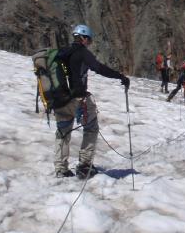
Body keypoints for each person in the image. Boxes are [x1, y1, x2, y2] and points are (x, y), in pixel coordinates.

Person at [53, 24, 130, 179]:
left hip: (60, 99)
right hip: (78, 99)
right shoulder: (82, 53)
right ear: (84, 38)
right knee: (91, 128)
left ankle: (61, 169)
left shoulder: (62, 53)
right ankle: (84, 166)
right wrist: (120, 76)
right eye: (89, 40)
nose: (89, 43)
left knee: (63, 132)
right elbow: (99, 68)